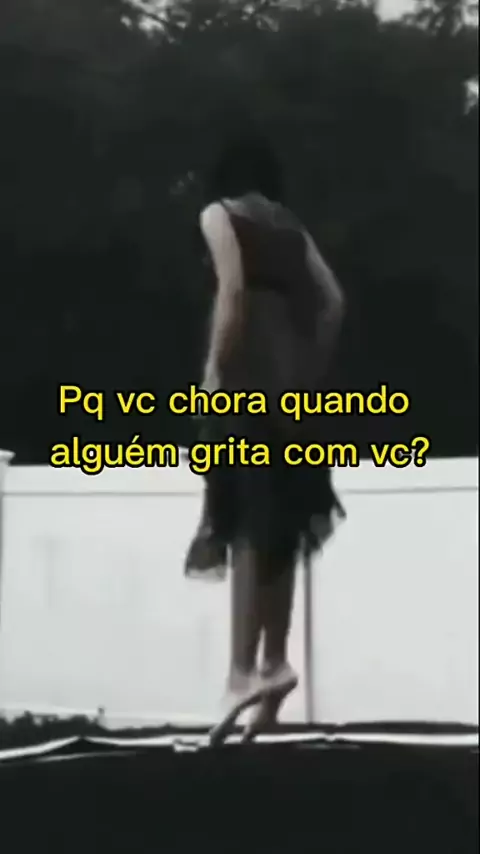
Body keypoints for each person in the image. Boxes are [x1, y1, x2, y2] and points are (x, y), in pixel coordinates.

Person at [184, 131, 346, 745]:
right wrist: (308, 367)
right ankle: (274, 664)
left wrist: (214, 370)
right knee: (282, 523)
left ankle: (239, 672)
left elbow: (230, 291)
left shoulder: (219, 215)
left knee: (243, 521)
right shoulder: (291, 228)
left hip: (244, 386)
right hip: (293, 393)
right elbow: (333, 302)